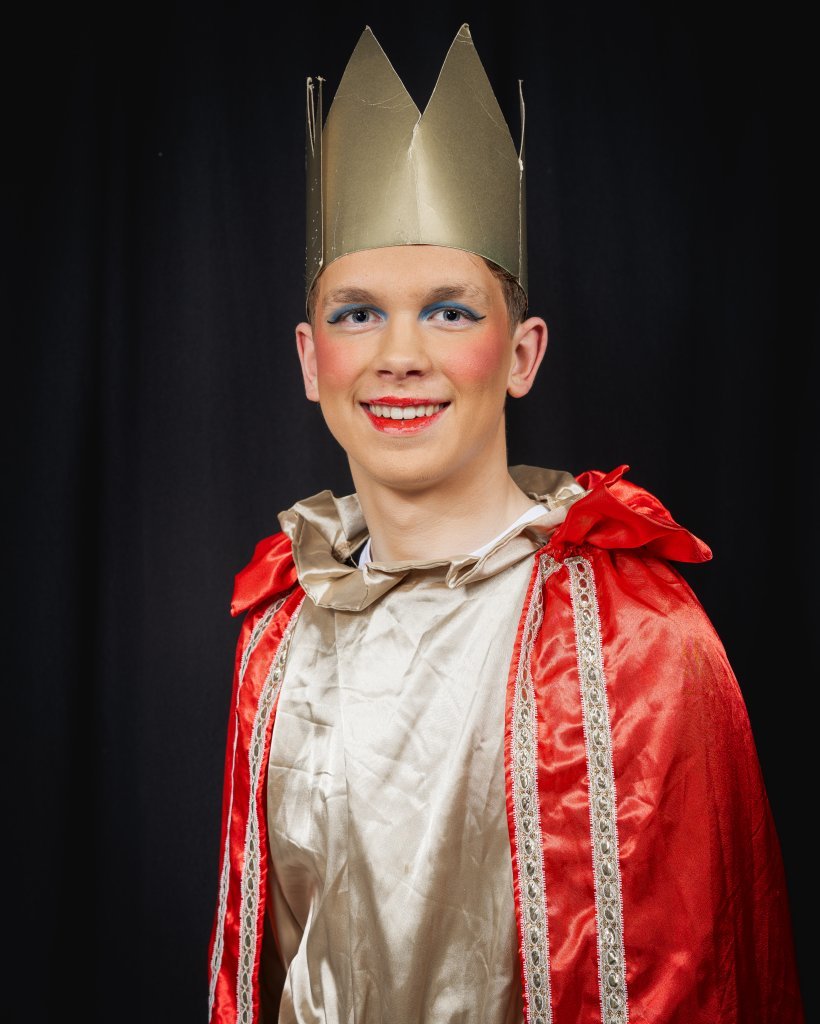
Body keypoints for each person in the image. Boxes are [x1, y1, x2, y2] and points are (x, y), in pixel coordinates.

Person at [207, 24, 804, 1024]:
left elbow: (699, 975)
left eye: (449, 310)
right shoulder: (281, 635)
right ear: (312, 361)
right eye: (357, 313)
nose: (399, 355)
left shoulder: (641, 642)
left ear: (522, 354)